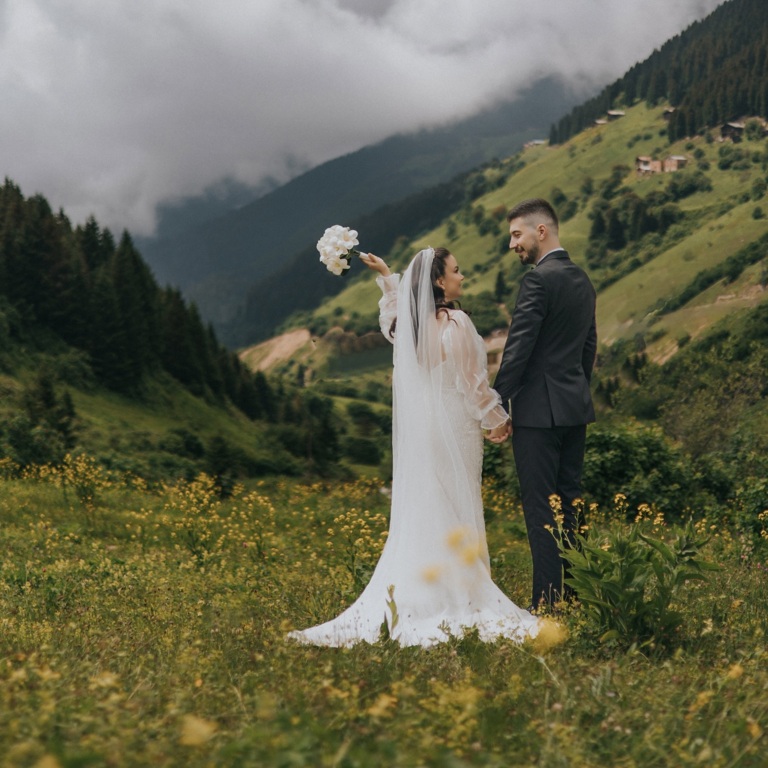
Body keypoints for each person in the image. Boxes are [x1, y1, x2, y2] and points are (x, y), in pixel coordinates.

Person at [288, 247, 539, 647]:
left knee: (429, 504)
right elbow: (472, 384)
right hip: (456, 428)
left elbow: (393, 322)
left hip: (428, 434)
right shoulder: (456, 323)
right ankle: (461, 595)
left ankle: (421, 592)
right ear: (439, 281)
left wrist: (389, 277)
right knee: (458, 505)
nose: (462, 276)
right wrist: (498, 420)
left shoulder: (415, 327)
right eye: (457, 271)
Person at [493, 198, 597, 613]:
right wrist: (575, 391)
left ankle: (546, 607)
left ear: (541, 231)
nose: (513, 244)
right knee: (570, 504)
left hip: (537, 414)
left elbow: (518, 350)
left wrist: (496, 408)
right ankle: (575, 599)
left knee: (541, 511)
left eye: (517, 234)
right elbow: (588, 347)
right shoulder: (582, 279)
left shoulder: (538, 281)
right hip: (574, 410)